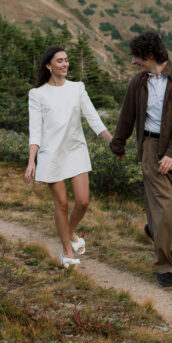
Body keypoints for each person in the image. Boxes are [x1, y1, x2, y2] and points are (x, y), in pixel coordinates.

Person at [109, 30, 172, 287]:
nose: (133, 62)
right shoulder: (138, 82)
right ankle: (164, 266)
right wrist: (118, 144)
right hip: (150, 146)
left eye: (136, 57)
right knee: (163, 208)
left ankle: (155, 232)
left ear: (150, 55)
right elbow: (127, 115)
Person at [25, 45, 112, 269]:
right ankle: (66, 250)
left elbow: (92, 117)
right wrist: (31, 160)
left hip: (76, 151)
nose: (65, 64)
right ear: (49, 66)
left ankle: (70, 231)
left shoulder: (77, 88)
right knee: (62, 204)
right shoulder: (37, 94)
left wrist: (111, 141)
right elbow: (35, 129)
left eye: (66, 60)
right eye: (60, 61)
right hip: (51, 154)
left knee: (82, 201)